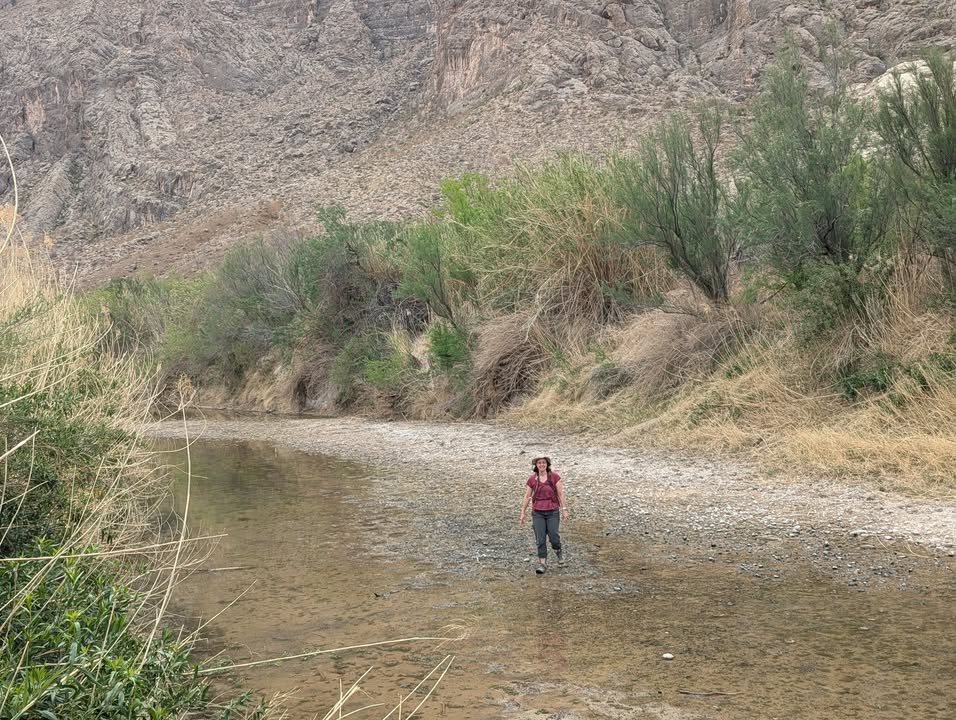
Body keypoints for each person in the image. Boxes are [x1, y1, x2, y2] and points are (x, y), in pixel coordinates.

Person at [519, 456, 569, 574]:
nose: (541, 465)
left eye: (544, 463)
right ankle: (542, 564)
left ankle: (558, 551)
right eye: (539, 463)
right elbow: (527, 497)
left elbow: (560, 494)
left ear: (547, 464)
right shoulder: (532, 479)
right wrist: (522, 513)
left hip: (552, 511)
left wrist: (564, 509)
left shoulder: (555, 477)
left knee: (554, 537)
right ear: (535, 465)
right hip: (537, 513)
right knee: (540, 539)